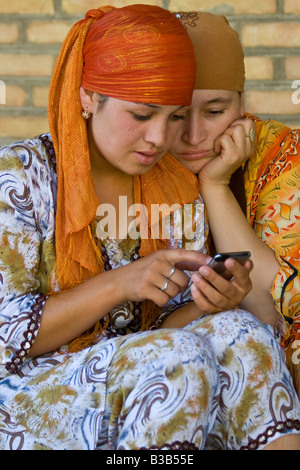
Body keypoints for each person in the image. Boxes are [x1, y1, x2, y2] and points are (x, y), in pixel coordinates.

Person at [0, 4, 299, 451]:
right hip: (26, 391)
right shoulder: (20, 178)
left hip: (140, 372)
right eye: (142, 115)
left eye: (174, 116)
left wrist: (210, 301)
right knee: (175, 357)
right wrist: (120, 283)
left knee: (242, 332)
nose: (161, 138)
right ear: (88, 96)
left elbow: (162, 330)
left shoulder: (174, 187)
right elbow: (6, 338)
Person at [170, 11, 300, 399]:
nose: (194, 135)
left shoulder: (281, 155)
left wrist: (215, 184)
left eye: (215, 111)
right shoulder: (134, 154)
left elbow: (276, 311)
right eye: (176, 113)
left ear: (243, 104)